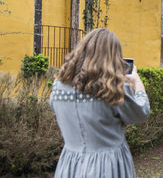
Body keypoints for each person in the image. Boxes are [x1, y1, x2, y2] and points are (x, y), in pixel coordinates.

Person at [50, 28, 150, 178]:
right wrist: (137, 82)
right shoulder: (113, 87)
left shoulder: (58, 86)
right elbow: (141, 113)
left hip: (70, 164)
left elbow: (55, 108)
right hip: (107, 166)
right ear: (113, 56)